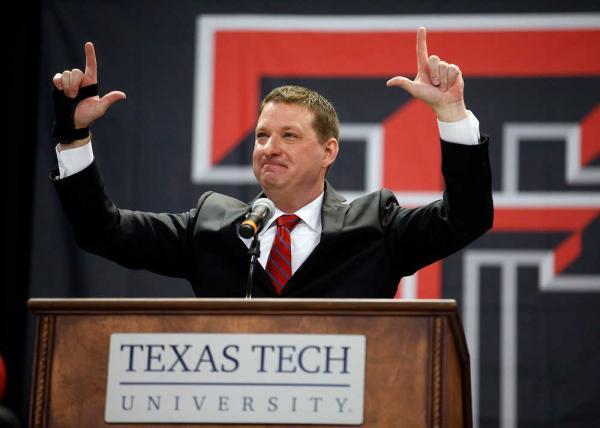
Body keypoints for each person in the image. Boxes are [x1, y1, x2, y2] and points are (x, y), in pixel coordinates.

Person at [51, 27, 493, 298]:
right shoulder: (211, 227)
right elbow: (101, 231)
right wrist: (74, 136)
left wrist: (452, 116)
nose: (269, 147)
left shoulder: (375, 226)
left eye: (289, 136)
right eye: (262, 136)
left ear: (329, 152)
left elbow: (466, 218)